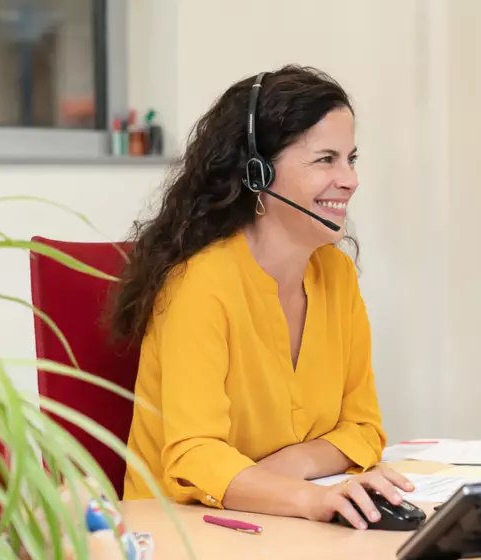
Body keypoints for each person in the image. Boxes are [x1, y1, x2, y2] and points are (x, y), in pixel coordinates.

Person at [111, 65, 413, 530]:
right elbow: (195, 455)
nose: (350, 179)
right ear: (257, 173)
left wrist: (282, 474)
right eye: (325, 160)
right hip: (182, 532)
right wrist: (310, 498)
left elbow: (364, 429)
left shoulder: (336, 275)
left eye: (351, 159)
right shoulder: (200, 284)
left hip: (283, 524)